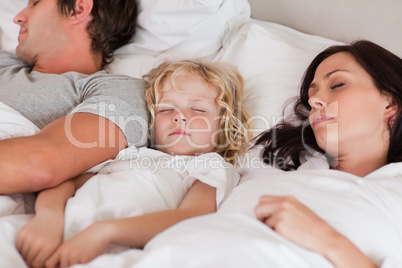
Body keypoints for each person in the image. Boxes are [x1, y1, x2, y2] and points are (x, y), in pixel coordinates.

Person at [16, 60, 251, 268]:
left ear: (224, 129)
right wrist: (48, 217)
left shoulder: (210, 165)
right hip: (53, 233)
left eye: (198, 109)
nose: (180, 116)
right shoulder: (129, 152)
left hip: (113, 250)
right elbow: (65, 181)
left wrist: (106, 231)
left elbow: (190, 216)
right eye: (167, 109)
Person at [250, 40, 402, 268]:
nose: (313, 101)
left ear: (390, 102)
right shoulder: (272, 162)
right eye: (311, 96)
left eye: (338, 84)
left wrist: (329, 241)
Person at [0, 0, 147, 195]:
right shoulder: (5, 62)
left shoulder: (117, 91)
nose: (17, 18)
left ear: (78, 9)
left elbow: (39, 163)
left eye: (35, 3)